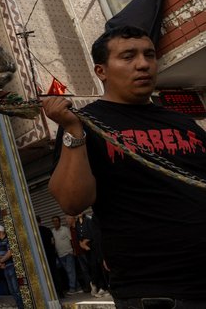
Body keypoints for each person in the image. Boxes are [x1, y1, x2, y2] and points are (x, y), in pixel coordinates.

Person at [43, 25, 206, 308]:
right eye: (128, 56)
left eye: (149, 55)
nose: (143, 64)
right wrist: (72, 130)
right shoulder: (85, 124)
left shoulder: (185, 123)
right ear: (101, 71)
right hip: (157, 294)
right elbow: (72, 201)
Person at [0, 225, 23, 309]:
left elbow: (10, 253)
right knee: (11, 290)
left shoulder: (8, 239)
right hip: (5, 268)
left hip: (11, 266)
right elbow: (0, 253)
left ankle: (21, 306)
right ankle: (19, 305)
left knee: (16, 289)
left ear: (0, 232)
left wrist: (1, 261)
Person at [51, 216, 80, 294]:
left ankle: (72, 289)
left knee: (70, 271)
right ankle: (78, 286)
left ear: (59, 221)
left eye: (56, 220)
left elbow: (71, 240)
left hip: (68, 253)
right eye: (53, 221)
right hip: (60, 255)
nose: (55, 222)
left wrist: (74, 250)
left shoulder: (65, 229)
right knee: (69, 271)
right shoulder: (52, 231)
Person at [36, 215, 62, 297]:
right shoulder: (47, 230)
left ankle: (52, 293)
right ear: (40, 221)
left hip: (43, 257)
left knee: (47, 275)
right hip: (51, 255)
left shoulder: (35, 232)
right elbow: (52, 242)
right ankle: (60, 292)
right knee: (55, 273)